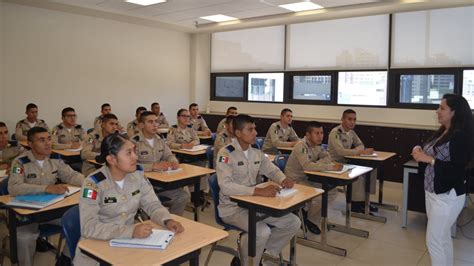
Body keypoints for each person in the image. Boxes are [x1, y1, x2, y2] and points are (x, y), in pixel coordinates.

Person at [74, 133, 184, 266]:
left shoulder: (137, 175)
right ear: (112, 159)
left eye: (134, 151)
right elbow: (88, 227)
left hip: (128, 245)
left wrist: (167, 220)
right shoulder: (93, 183)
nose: (135, 157)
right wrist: (130, 231)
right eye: (128, 153)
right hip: (97, 251)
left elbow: (152, 204)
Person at [216, 114, 301, 266]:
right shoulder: (226, 153)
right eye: (250, 129)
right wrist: (257, 191)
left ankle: (254, 255)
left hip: (255, 204)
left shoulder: (255, 151)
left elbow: (271, 169)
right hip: (233, 208)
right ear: (238, 133)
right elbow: (225, 186)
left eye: (255, 128)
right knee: (262, 232)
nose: (255, 133)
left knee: (293, 222)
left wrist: (283, 179)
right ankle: (250, 260)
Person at [8, 127, 85, 266]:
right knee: (25, 238)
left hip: (51, 210)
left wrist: (89, 183)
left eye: (49, 139)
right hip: (28, 215)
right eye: (41, 140)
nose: (48, 143)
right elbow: (14, 187)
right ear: (30, 144)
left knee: (80, 225)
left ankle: (65, 260)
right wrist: (47, 188)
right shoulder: (20, 162)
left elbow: (71, 175)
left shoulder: (55, 159)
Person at [412, 94, 472, 266]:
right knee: (442, 238)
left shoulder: (461, 136)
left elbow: (457, 169)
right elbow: (431, 152)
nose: (437, 111)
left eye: (442, 108)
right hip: (433, 193)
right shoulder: (444, 131)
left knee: (434, 241)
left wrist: (428, 159)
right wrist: (419, 150)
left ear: (454, 112)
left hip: (447, 196)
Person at [285, 121, 342, 234]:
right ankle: (309, 219)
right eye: (317, 133)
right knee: (318, 194)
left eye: (321, 133)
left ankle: (310, 217)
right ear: (308, 135)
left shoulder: (317, 145)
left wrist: (318, 163)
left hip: (307, 178)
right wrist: (330, 167)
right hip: (295, 180)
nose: (320, 136)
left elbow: (327, 157)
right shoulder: (301, 146)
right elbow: (307, 166)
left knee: (332, 192)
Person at [132, 111, 190, 215]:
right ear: (141, 125)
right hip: (141, 185)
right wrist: (152, 166)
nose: (155, 125)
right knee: (152, 203)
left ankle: (171, 222)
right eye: (150, 122)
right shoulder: (133, 142)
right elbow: (131, 166)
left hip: (160, 183)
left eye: (156, 122)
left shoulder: (160, 139)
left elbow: (169, 155)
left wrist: (173, 161)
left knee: (183, 196)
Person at [328, 109, 378, 213]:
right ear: (342, 119)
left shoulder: (351, 132)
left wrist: (355, 151)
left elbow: (361, 145)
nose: (352, 122)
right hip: (336, 163)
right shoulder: (335, 132)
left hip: (348, 160)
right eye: (349, 119)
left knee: (372, 169)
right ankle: (356, 204)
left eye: (354, 119)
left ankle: (365, 199)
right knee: (357, 173)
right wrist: (359, 152)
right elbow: (340, 151)